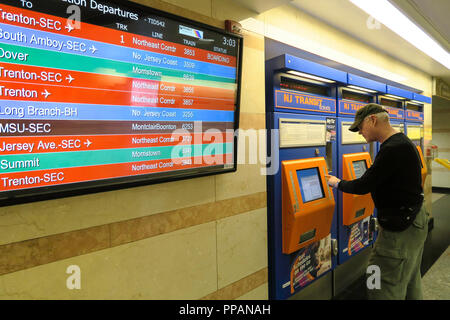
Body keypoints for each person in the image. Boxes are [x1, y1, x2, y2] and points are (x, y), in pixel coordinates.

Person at [325, 103, 428, 300]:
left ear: (373, 120)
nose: (360, 133)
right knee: (409, 278)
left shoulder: (392, 149)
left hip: (401, 228)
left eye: (361, 128)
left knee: (381, 282)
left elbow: (365, 184)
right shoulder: (403, 142)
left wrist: (337, 183)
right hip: (414, 220)